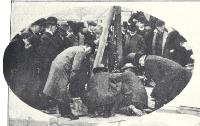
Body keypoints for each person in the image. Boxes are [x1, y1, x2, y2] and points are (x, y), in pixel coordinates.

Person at [43, 43, 95, 120]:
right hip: (62, 68)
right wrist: (70, 80)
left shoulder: (76, 48)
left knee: (59, 90)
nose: (87, 54)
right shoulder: (81, 51)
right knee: (63, 90)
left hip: (57, 65)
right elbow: (75, 67)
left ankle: (63, 112)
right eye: (89, 52)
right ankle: (67, 113)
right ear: (89, 48)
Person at [126, 53, 192, 109]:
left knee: (160, 89)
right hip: (177, 71)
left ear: (141, 58)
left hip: (173, 73)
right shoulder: (150, 58)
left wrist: (148, 80)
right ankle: (163, 105)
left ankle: (158, 107)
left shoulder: (148, 61)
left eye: (139, 63)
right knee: (168, 90)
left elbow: (156, 76)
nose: (141, 65)